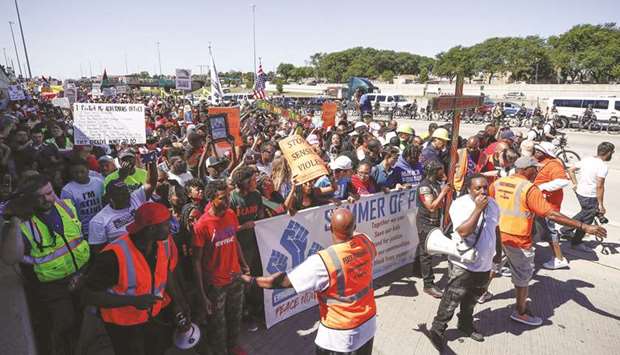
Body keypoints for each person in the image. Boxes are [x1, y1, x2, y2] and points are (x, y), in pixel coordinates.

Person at [238, 208, 377, 355]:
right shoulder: (365, 241)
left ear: (330, 227)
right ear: (355, 227)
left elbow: (281, 282)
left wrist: (247, 279)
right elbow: (355, 239)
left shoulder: (325, 261)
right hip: (368, 324)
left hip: (339, 335)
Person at [489, 156, 606, 326]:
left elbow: (490, 205)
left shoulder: (500, 182)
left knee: (494, 266)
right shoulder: (528, 188)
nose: (537, 171)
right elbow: (551, 214)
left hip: (498, 237)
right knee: (523, 277)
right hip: (518, 241)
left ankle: (482, 293)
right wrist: (583, 226)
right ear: (526, 170)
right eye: (534, 168)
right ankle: (520, 312)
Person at [83, 202, 189, 355]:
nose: (171, 226)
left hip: (152, 318)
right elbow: (88, 295)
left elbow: (166, 274)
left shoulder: (162, 244)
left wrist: (179, 302)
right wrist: (133, 301)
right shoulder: (113, 256)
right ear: (151, 228)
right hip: (123, 326)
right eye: (166, 224)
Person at [1, 174, 90, 354]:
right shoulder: (23, 223)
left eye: (49, 193)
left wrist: (82, 275)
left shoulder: (67, 206)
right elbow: (10, 258)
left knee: (83, 321)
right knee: (63, 324)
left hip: (82, 275)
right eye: (39, 196)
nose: (47, 199)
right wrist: (16, 222)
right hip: (53, 286)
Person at [429, 174, 501, 351]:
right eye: (478, 188)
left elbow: (496, 228)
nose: (483, 191)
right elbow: (463, 232)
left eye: (485, 187)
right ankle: (437, 329)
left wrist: (498, 252)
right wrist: (477, 209)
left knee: (472, 298)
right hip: (463, 263)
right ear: (469, 188)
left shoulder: (493, 204)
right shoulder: (460, 205)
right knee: (452, 298)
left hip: (484, 263)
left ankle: (465, 324)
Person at [192, 180, 249, 355]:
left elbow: (234, 240)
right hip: (216, 285)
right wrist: (202, 295)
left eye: (228, 197)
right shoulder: (202, 225)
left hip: (235, 278)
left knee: (235, 317)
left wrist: (244, 264)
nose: (227, 202)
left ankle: (233, 347)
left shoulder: (231, 214)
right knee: (218, 324)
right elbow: (196, 262)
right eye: (222, 198)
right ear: (211, 199)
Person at [88, 158, 157, 251]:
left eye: (127, 193)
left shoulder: (134, 198)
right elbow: (100, 252)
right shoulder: (98, 222)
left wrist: (151, 162)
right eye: (122, 196)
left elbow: (151, 183)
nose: (128, 197)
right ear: (110, 199)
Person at [229, 166, 265, 331]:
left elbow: (261, 217)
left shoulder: (256, 195)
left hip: (254, 246)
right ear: (241, 183)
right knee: (242, 282)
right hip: (238, 248)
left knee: (254, 279)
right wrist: (243, 226)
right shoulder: (231, 199)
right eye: (251, 180)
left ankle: (256, 309)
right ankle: (244, 314)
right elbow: (226, 230)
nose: (254, 182)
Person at [563, 142, 615, 251]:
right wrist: (601, 205)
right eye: (612, 152)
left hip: (580, 193)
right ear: (608, 152)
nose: (612, 154)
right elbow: (599, 186)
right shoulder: (603, 166)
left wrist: (575, 184)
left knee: (584, 212)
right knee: (587, 220)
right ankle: (576, 243)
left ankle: (566, 229)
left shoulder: (587, 160)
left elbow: (570, 170)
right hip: (590, 196)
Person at [415, 160, 451, 298]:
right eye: (441, 170)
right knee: (426, 254)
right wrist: (443, 192)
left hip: (434, 222)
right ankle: (428, 285)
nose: (443, 172)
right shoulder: (424, 187)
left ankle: (418, 271)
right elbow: (431, 206)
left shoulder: (435, 184)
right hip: (425, 224)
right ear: (434, 171)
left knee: (426, 251)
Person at [532, 142, 570, 269]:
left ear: (545, 153)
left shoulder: (553, 164)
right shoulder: (541, 163)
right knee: (539, 228)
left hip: (549, 204)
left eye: (538, 151)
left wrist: (542, 188)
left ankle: (559, 259)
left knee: (550, 230)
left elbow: (563, 181)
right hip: (541, 202)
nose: (535, 152)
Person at [60, 156, 105, 241]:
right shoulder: (67, 190)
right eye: (75, 173)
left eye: (82, 171)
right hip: (85, 231)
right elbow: (69, 215)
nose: (79, 175)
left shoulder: (98, 182)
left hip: (102, 224)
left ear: (88, 170)